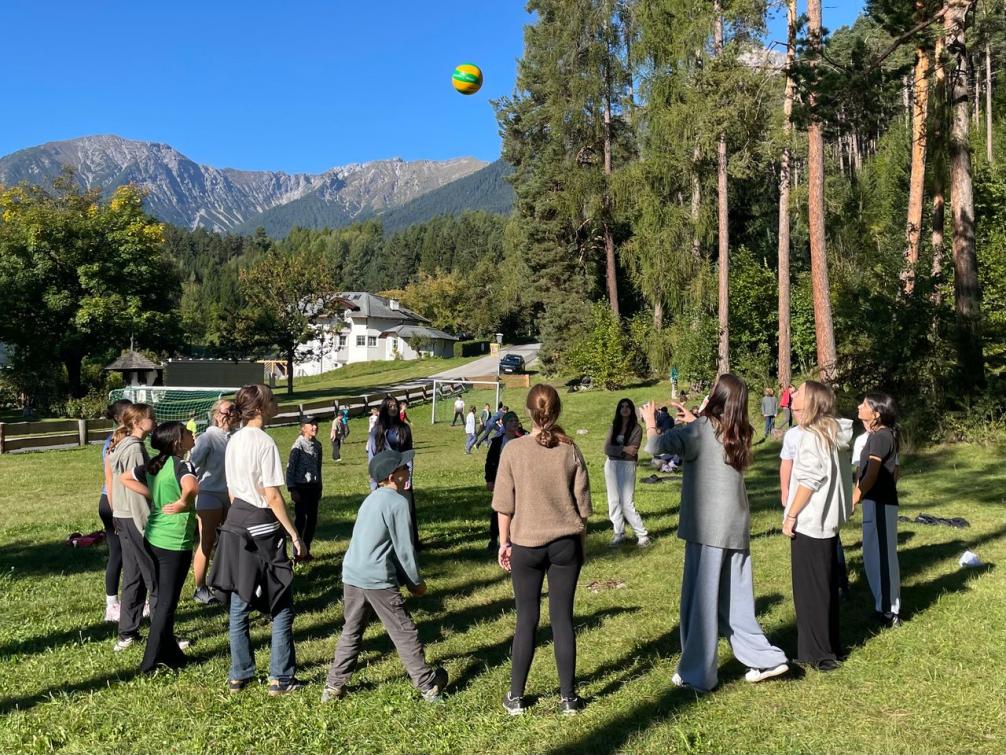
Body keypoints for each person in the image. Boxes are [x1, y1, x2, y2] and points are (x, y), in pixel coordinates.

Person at [642, 375, 788, 692]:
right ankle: (766, 658)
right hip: (736, 524)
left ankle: (698, 674)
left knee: (700, 603)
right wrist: (697, 418)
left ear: (716, 397)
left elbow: (655, 448)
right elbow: (710, 438)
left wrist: (651, 423)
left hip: (708, 527)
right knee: (736, 601)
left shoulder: (701, 430)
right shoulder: (739, 431)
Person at [493, 384, 591, 715]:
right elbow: (584, 506)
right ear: (557, 411)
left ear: (529, 412)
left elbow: (503, 505)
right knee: (562, 619)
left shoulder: (513, 450)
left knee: (526, 620)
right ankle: (568, 698)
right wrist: (582, 540)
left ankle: (516, 697)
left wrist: (503, 542)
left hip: (526, 544)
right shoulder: (570, 450)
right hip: (565, 543)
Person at [321, 449, 448, 704]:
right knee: (404, 631)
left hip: (352, 574)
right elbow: (404, 548)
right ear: (393, 476)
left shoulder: (372, 498)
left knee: (352, 630)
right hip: (376, 578)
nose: (408, 469)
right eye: (404, 467)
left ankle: (333, 687)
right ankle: (427, 686)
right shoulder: (399, 502)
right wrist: (415, 582)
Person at [209, 384, 304, 696]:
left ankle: (239, 674)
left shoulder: (233, 440)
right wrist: (293, 533)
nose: (277, 404)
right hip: (262, 526)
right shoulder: (265, 442)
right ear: (261, 407)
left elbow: (233, 490)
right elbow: (272, 494)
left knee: (239, 600)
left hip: (235, 522)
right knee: (281, 601)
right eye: (273, 400)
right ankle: (281, 678)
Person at [781, 381, 853, 672]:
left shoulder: (811, 436)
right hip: (827, 521)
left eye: (798, 392)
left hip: (810, 521)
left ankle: (817, 654)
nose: (794, 395)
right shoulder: (832, 432)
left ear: (811, 401)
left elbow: (810, 480)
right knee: (823, 587)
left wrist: (791, 515)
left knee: (809, 589)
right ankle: (829, 647)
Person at [120, 421, 198, 673]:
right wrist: (183, 503)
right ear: (177, 441)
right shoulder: (181, 464)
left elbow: (125, 478)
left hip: (153, 537)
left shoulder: (156, 464)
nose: (191, 435)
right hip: (174, 542)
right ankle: (150, 662)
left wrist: (152, 495)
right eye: (187, 433)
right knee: (166, 602)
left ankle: (172, 655)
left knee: (165, 599)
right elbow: (192, 487)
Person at [780, 405, 850, 600]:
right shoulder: (792, 435)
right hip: (800, 499)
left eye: (801, 409)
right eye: (794, 410)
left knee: (831, 541)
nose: (796, 412)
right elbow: (786, 462)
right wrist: (785, 490)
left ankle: (839, 583)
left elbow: (821, 474)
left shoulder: (825, 433)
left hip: (820, 502)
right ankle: (815, 589)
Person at [108, 403, 156, 652]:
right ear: (137, 423)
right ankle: (162, 635)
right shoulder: (135, 448)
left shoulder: (122, 444)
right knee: (154, 577)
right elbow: (134, 488)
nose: (155, 420)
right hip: (136, 518)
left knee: (134, 576)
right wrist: (147, 522)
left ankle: (126, 633)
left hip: (123, 516)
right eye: (151, 417)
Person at [852, 392, 902, 628]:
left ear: (877, 413)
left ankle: (889, 611)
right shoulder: (876, 436)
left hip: (881, 503)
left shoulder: (882, 437)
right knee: (873, 553)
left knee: (882, 556)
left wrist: (855, 496)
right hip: (875, 502)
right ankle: (881, 605)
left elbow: (873, 472)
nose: (859, 407)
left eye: (864, 405)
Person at [189, 398, 233, 604]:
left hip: (230, 495)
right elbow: (191, 465)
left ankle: (225, 582)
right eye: (226, 411)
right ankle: (200, 588)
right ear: (216, 414)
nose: (230, 414)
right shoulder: (208, 437)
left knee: (230, 542)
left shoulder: (236, 436)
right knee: (207, 542)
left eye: (234, 410)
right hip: (209, 494)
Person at [99, 398, 132, 622]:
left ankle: (114, 604)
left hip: (108, 501)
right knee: (124, 554)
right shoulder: (122, 442)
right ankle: (114, 605)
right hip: (117, 503)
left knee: (119, 554)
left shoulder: (111, 441)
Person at [603, 398, 650, 548]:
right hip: (611, 464)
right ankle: (619, 533)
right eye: (622, 406)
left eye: (627, 406)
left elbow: (633, 452)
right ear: (618, 409)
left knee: (627, 502)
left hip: (627, 466)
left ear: (631, 410)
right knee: (614, 501)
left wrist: (619, 450)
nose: (624, 409)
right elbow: (607, 449)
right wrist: (623, 449)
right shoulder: (613, 427)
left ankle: (642, 535)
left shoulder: (637, 428)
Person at [484, 411, 522, 550]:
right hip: (502, 480)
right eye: (510, 421)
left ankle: (516, 537)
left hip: (519, 480)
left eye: (515, 420)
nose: (513, 423)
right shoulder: (498, 441)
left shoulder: (523, 439)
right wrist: (489, 480)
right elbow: (490, 461)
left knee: (519, 508)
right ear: (504, 424)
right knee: (499, 508)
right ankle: (494, 538)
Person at [288, 416, 324, 561]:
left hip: (313, 487)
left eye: (316, 424)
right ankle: (297, 552)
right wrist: (292, 489)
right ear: (303, 428)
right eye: (311, 425)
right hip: (301, 487)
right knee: (300, 520)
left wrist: (320, 485)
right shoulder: (298, 446)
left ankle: (306, 550)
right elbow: (290, 469)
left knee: (312, 520)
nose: (315, 427)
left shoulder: (318, 445)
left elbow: (318, 467)